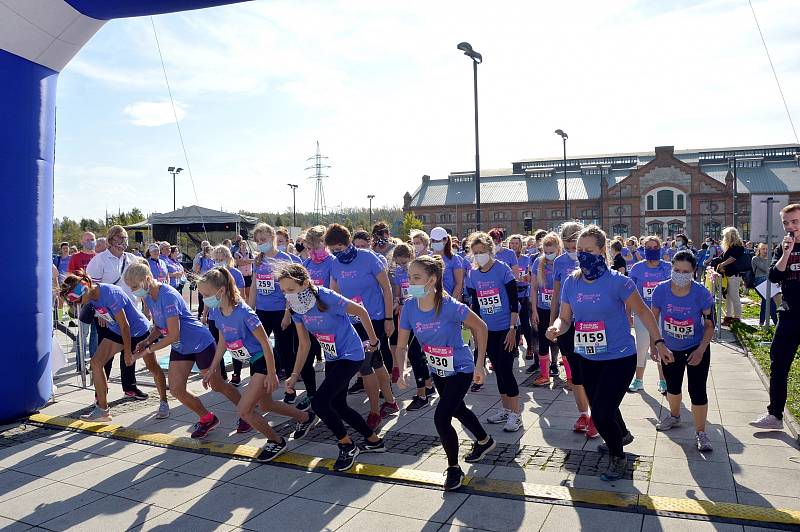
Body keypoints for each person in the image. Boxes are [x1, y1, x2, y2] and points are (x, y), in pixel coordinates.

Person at [546, 225, 670, 480]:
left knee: (601, 414)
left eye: (588, 250)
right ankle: (621, 433)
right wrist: (556, 328)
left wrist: (658, 342)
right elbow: (565, 318)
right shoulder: (572, 281)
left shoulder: (618, 282)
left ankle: (618, 456)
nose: (582, 255)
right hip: (588, 356)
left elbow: (644, 312)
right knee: (605, 405)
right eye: (579, 250)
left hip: (619, 357)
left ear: (602, 250)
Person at [396, 255, 495, 490]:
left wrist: (479, 364)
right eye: (410, 277)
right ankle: (484, 440)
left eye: (417, 277)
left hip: (461, 368)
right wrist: (401, 370)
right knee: (457, 409)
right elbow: (401, 345)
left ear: (432, 280)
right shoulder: (409, 306)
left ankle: (453, 469)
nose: (411, 282)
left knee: (441, 417)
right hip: (439, 370)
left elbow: (480, 326)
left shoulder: (449, 305)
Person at [198, 267, 316, 461]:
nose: (204, 299)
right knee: (266, 404)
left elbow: (265, 344)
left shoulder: (245, 313)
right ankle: (305, 417)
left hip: (265, 360)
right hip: (253, 362)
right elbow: (222, 342)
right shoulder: (217, 312)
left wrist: (271, 373)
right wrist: (212, 369)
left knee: (244, 410)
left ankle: (277, 441)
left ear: (221, 291)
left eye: (206, 294)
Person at [278, 263, 385, 472]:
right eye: (283, 291)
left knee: (319, 403)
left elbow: (361, 312)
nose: (287, 295)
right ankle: (374, 441)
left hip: (351, 354)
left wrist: (373, 342)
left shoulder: (326, 297)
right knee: (338, 405)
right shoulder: (296, 308)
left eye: (290, 290)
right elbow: (305, 344)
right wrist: (293, 374)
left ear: (305, 283)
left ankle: (347, 445)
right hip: (332, 356)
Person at [123, 262, 240, 438]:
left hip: (200, 343)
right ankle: (207, 418)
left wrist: (146, 351)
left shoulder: (168, 295)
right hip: (182, 347)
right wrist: (147, 341)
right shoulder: (147, 295)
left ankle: (247, 411)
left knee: (217, 385)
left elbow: (173, 335)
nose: (133, 291)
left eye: (134, 287)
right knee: (177, 389)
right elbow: (160, 327)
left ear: (147, 279)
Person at [60, 270, 169, 421]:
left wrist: (128, 353)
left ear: (85, 288)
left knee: (152, 367)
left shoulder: (110, 293)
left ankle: (164, 401)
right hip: (117, 330)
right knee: (96, 363)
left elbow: (126, 326)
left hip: (137, 330)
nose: (78, 305)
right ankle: (103, 410)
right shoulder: (90, 295)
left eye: (78, 301)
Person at [327, 224, 398, 429]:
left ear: (348, 243)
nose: (336, 253)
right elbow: (335, 293)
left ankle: (375, 411)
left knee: (365, 365)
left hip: (374, 319)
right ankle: (391, 401)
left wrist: (388, 319)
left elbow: (386, 288)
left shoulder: (368, 258)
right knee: (376, 362)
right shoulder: (335, 264)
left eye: (339, 248)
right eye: (333, 250)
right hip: (352, 322)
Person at [649, 250, 715, 452]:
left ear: (694, 271)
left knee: (697, 390)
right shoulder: (660, 291)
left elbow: (710, 325)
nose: (680, 274)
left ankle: (701, 433)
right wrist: (656, 345)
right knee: (672, 387)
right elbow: (653, 319)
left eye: (686, 271)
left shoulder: (701, 293)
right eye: (677, 270)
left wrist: (702, 349)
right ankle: (674, 415)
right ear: (671, 269)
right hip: (670, 349)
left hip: (696, 347)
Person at [466, 232, 522, 432]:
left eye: (482, 251)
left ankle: (516, 415)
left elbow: (514, 301)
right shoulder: (472, 274)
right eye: (475, 252)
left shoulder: (502, 269)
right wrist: (476, 331)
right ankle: (506, 409)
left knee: (506, 370)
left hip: (507, 328)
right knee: (498, 370)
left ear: (491, 251)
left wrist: (513, 329)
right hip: (487, 331)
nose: (479, 255)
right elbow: (476, 306)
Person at [751, 204, 800, 430]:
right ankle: (775, 415)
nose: (790, 227)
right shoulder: (783, 249)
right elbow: (773, 276)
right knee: (778, 363)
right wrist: (787, 253)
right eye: (786, 223)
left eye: (795, 222)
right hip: (789, 314)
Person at [85, 225, 147, 399]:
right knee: (105, 356)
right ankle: (101, 392)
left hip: (132, 312)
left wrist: (145, 307)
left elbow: (142, 283)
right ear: (110, 241)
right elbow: (91, 290)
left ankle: (130, 386)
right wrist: (99, 314)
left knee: (130, 350)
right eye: (118, 238)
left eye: (125, 238)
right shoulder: (99, 261)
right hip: (108, 316)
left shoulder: (133, 259)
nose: (122, 242)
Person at [549, 222, 597, 438]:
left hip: (591, 323)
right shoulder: (559, 262)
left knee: (592, 370)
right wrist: (553, 322)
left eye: (574, 245)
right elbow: (556, 294)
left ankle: (598, 415)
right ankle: (583, 414)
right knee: (576, 373)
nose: (571, 250)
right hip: (567, 323)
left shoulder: (594, 257)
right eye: (567, 246)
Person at [247, 223, 295, 392]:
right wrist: (249, 311)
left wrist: (287, 313)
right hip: (261, 311)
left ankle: (290, 388)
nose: (261, 243)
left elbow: (291, 289)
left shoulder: (285, 258)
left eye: (263, 240)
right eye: (258, 241)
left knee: (286, 349)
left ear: (273, 239)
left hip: (280, 311)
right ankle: (256, 386)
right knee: (257, 348)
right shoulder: (258, 260)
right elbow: (254, 286)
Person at [390, 243, 435, 410]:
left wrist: (407, 303)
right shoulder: (399, 273)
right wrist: (397, 302)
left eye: (404, 263)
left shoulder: (419, 271)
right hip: (407, 314)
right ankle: (428, 385)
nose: (402, 266)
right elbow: (397, 290)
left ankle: (421, 394)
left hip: (420, 316)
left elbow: (420, 295)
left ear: (411, 258)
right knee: (415, 352)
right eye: (399, 263)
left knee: (415, 353)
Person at [628, 236, 671, 394]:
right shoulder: (637, 268)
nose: (652, 250)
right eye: (649, 247)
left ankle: (663, 380)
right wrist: (628, 315)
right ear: (643, 248)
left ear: (660, 248)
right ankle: (638, 380)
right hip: (642, 314)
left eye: (655, 247)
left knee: (661, 346)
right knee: (642, 346)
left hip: (663, 314)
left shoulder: (667, 267)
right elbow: (629, 293)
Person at [530, 232, 562, 384]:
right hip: (543, 308)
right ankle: (544, 374)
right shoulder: (538, 262)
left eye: (552, 252)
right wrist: (534, 310)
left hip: (562, 308)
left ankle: (569, 376)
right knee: (543, 340)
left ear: (558, 249)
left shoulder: (562, 262)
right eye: (546, 252)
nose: (549, 255)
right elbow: (534, 287)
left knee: (562, 341)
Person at [509, 234, 536, 360]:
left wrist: (523, 277)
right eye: (512, 243)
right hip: (510, 293)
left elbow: (530, 277)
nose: (514, 246)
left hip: (523, 293)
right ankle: (514, 349)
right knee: (513, 323)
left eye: (516, 243)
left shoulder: (526, 259)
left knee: (525, 322)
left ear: (521, 245)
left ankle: (530, 347)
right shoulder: (506, 258)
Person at [716, 226, 744, 325]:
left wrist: (722, 264)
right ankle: (728, 315)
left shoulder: (738, 247)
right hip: (728, 274)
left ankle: (737, 317)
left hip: (734, 274)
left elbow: (732, 259)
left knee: (734, 295)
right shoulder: (730, 247)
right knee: (728, 295)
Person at [430, 226, 465, 303]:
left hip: (448, 300)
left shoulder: (454, 259)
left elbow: (459, 283)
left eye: (438, 240)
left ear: (445, 240)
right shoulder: (427, 259)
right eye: (433, 240)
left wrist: (451, 302)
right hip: (430, 302)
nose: (435, 243)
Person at [752, 243, 778, 326]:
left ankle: (762, 322)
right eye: (763, 249)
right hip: (760, 282)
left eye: (768, 249)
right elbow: (766, 269)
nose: (765, 251)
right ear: (759, 250)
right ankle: (776, 321)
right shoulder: (755, 259)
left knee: (767, 300)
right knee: (769, 300)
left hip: (770, 282)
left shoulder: (773, 258)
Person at [193, 243, 215, 319]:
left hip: (211, 280)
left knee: (210, 297)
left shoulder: (213, 260)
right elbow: (196, 269)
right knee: (202, 297)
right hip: (203, 280)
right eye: (211, 251)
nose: (212, 252)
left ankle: (209, 314)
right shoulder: (201, 258)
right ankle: (200, 313)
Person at [234, 235, 255, 300]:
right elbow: (239, 263)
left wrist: (245, 261)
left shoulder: (250, 253)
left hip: (249, 275)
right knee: (242, 294)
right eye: (242, 245)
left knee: (248, 293)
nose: (243, 246)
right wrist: (248, 261)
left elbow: (253, 261)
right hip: (241, 275)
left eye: (245, 245)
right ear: (240, 246)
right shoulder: (237, 254)